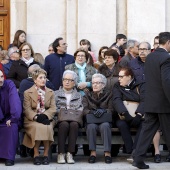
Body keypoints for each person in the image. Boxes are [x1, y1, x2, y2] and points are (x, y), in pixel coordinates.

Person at [133, 32, 170, 169]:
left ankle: (138, 159)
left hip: (150, 101)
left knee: (147, 131)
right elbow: (166, 81)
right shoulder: (166, 58)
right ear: (168, 42)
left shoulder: (150, 57)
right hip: (164, 103)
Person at [23, 68, 56, 165]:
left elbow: (53, 108)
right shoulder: (27, 92)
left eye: (45, 78)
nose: (43, 80)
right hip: (32, 119)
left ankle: (45, 154)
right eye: (40, 78)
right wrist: (37, 117)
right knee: (38, 127)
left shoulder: (50, 92)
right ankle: (36, 154)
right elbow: (27, 109)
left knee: (47, 127)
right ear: (35, 80)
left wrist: (45, 116)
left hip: (47, 118)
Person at [113, 67, 145, 162]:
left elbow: (145, 100)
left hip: (139, 115)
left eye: (121, 77)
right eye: (118, 76)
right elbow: (116, 100)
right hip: (123, 115)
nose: (119, 79)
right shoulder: (117, 86)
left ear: (129, 77)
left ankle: (135, 151)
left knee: (144, 125)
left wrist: (139, 115)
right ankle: (130, 149)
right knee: (121, 124)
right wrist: (125, 114)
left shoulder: (141, 85)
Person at [83, 73, 113, 164]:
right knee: (91, 127)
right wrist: (91, 112)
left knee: (105, 126)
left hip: (105, 120)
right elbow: (84, 110)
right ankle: (93, 153)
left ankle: (107, 153)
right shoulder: (87, 95)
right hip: (91, 120)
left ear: (103, 84)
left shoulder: (109, 94)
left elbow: (112, 109)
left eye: (97, 83)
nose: (94, 85)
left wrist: (104, 111)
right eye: (93, 83)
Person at [55, 70, 83, 164]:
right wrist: (64, 112)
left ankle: (70, 153)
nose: (66, 82)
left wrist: (68, 112)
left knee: (74, 125)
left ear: (74, 82)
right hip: (60, 118)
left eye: (69, 80)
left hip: (74, 118)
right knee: (64, 125)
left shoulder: (79, 95)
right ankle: (61, 153)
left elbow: (80, 108)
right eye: (65, 79)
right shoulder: (55, 94)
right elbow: (53, 107)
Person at [0, 69, 22, 166]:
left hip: (10, 117)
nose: (0, 80)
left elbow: (15, 102)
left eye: (1, 77)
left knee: (12, 126)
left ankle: (9, 157)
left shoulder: (9, 84)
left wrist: (13, 117)